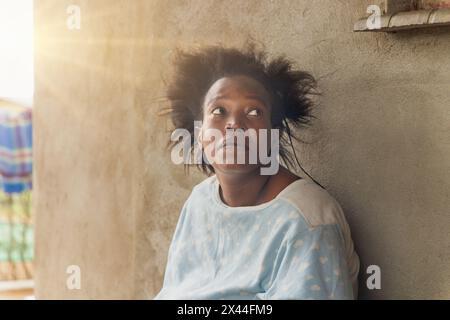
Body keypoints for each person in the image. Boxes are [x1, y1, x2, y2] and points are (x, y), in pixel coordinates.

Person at [154, 43, 360, 300]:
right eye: (219, 111)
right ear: (199, 131)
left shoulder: (307, 221)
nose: (234, 125)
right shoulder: (200, 201)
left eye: (254, 112)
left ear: (274, 134)